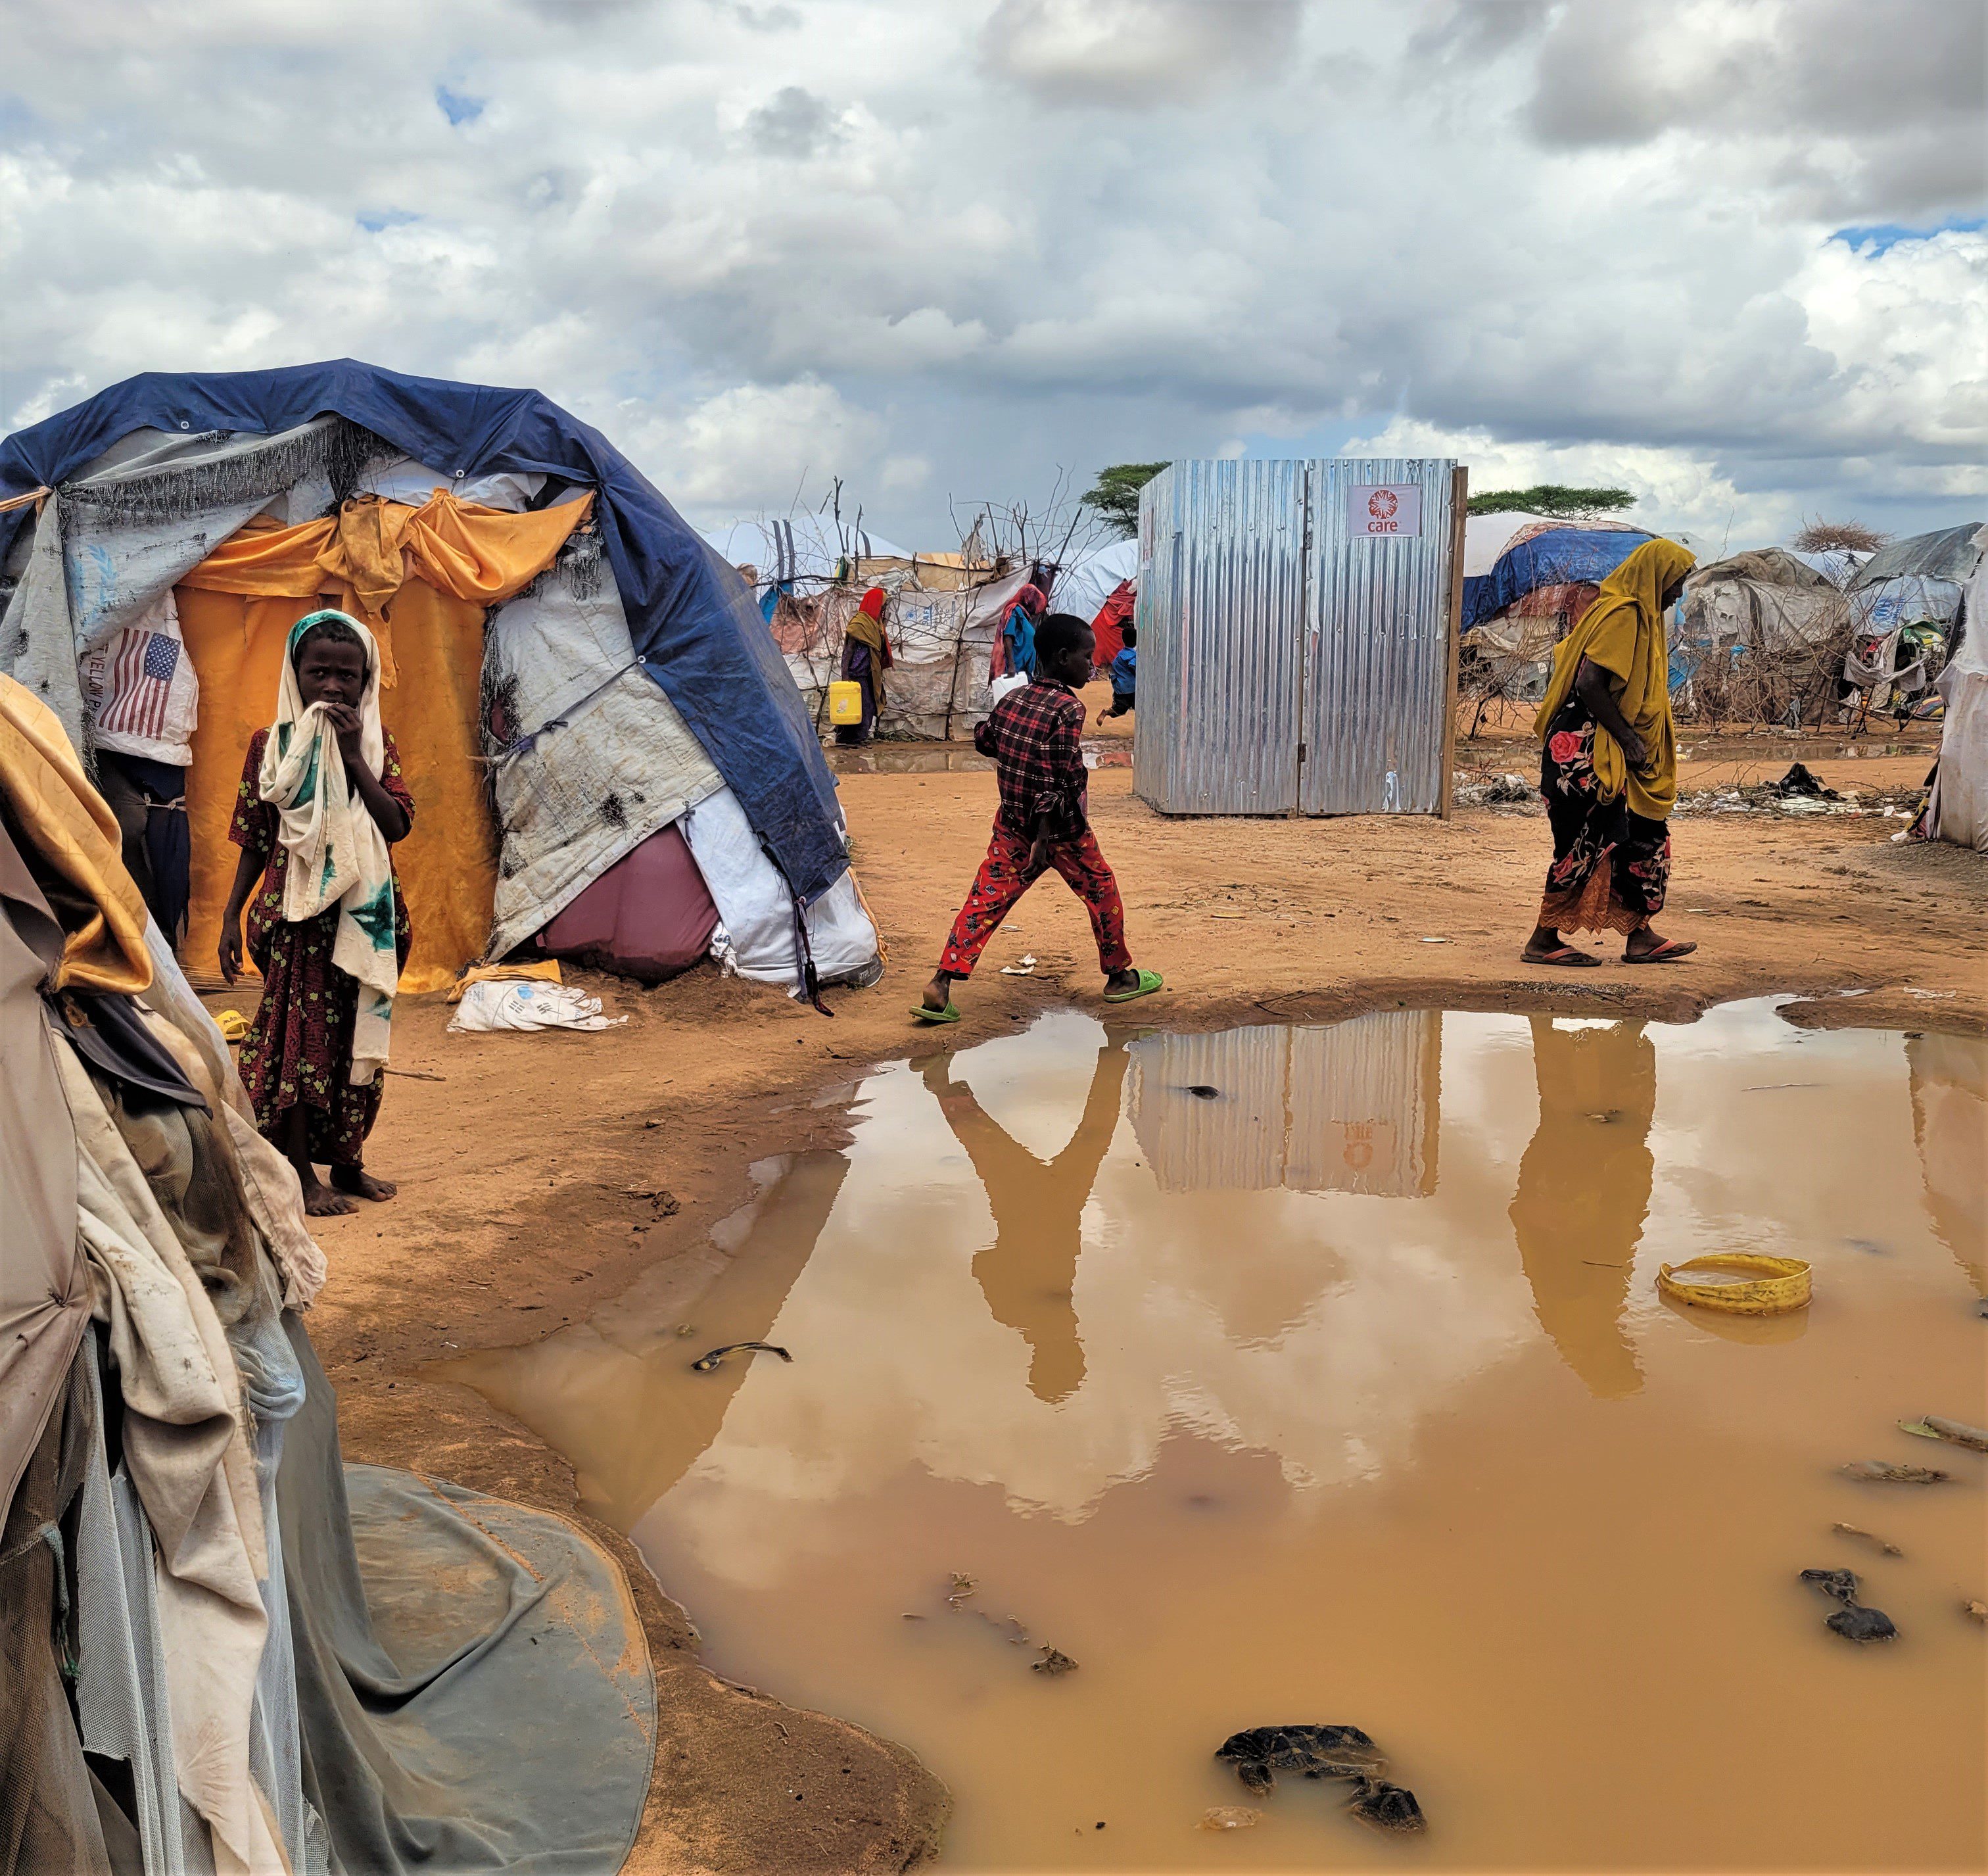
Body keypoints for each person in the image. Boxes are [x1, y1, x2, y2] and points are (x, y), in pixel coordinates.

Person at [219, 610, 413, 1216]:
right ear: (294, 674)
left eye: (347, 676)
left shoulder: (379, 746)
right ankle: (302, 1172)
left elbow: (398, 823)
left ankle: (348, 1163)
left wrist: (355, 757)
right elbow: (255, 837)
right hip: (297, 922)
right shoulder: (270, 748)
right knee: (297, 1045)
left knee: (359, 1038)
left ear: (366, 680)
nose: (332, 686)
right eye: (318, 672)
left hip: (365, 919)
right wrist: (230, 916)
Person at [917, 612, 1161, 1022]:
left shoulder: (1013, 700)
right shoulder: (1069, 709)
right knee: (1101, 890)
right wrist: (1044, 840)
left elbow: (986, 740)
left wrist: (1015, 749)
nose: (1093, 665)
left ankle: (942, 980)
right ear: (1064, 658)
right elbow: (1058, 779)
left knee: (985, 899)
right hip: (1061, 833)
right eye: (1087, 658)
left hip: (1011, 827)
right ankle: (1119, 978)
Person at [1524, 539, 1698, 967]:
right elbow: (1589, 683)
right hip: (1585, 751)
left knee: (1644, 837)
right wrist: (1627, 738)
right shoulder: (1623, 614)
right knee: (1587, 841)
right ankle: (1543, 940)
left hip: (1614, 750)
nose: (1678, 593)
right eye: (1677, 582)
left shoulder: (1644, 617)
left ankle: (1640, 935)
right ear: (1656, 577)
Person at [837, 585, 893, 746]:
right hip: (856, 674)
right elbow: (848, 652)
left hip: (870, 673)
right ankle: (851, 739)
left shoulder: (876, 625)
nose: (884, 608)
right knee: (859, 707)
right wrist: (846, 676)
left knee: (868, 706)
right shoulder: (859, 624)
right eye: (882, 604)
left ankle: (856, 738)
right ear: (875, 604)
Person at [994, 583, 1047, 681]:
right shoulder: (1015, 611)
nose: (1036, 605)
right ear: (1028, 599)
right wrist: (1011, 666)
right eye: (1035, 600)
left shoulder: (1024, 617)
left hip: (1024, 672)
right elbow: (1008, 636)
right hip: (1014, 671)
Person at [1097, 622, 1137, 722]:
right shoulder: (1133, 655)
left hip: (1121, 689)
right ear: (1136, 640)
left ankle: (1106, 712)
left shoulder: (1121, 654)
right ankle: (1105, 712)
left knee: (1119, 710)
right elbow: (1132, 665)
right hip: (1132, 689)